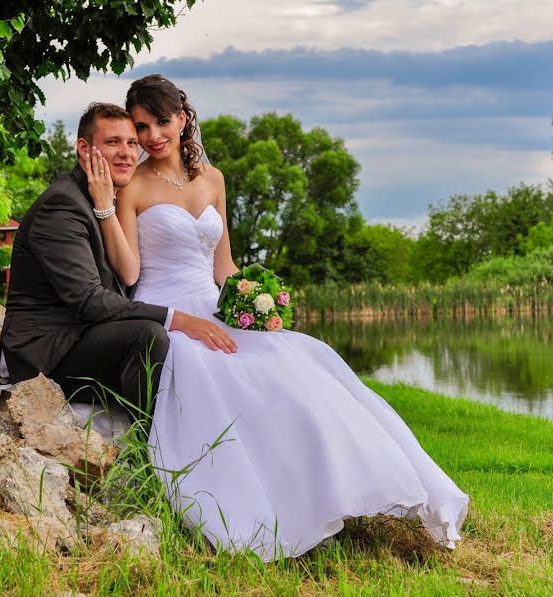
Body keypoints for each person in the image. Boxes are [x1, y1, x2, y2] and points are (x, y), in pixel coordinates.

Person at [85, 75, 470, 561]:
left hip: (215, 307)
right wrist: (105, 210)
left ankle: (341, 491)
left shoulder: (214, 179)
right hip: (169, 313)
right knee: (224, 381)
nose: (153, 136)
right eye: (141, 127)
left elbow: (222, 266)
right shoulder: (134, 185)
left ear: (183, 118)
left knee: (302, 361)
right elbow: (131, 272)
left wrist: (254, 301)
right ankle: (274, 512)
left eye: (162, 121)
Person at [0, 103, 236, 417]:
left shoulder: (101, 201)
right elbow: (89, 301)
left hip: (82, 335)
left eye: (132, 143)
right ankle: (146, 440)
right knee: (149, 336)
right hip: (47, 351)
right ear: (84, 149)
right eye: (112, 142)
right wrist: (180, 319)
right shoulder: (62, 205)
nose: (127, 153)